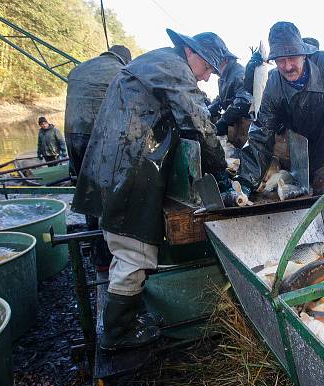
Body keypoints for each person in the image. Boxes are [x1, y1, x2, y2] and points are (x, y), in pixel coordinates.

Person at [72, 29, 227, 351]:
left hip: (113, 161)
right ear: (191, 52)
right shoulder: (173, 68)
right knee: (134, 251)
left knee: (121, 245)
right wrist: (219, 166)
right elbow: (198, 121)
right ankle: (117, 333)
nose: (208, 77)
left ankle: (125, 315)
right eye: (209, 68)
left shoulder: (156, 62)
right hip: (129, 167)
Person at [238, 22, 324, 203]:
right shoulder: (274, 84)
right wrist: (245, 180)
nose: (288, 66)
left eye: (292, 57)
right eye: (281, 60)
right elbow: (260, 134)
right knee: (306, 206)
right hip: (303, 157)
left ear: (304, 54)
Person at [64, 45, 132, 180]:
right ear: (126, 60)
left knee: (79, 180)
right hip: (99, 133)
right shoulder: (122, 72)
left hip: (71, 130)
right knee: (101, 181)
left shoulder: (78, 68)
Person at [205, 35, 253, 150]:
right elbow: (222, 99)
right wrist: (208, 111)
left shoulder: (239, 73)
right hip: (234, 126)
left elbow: (244, 101)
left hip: (245, 126)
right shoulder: (222, 77)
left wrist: (223, 121)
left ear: (226, 60)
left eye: (217, 62)